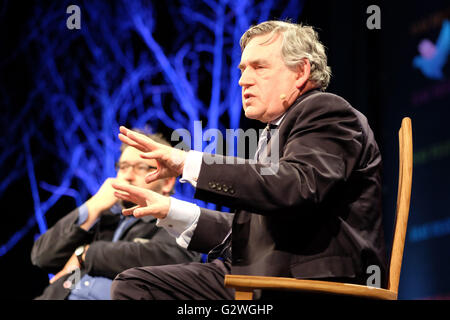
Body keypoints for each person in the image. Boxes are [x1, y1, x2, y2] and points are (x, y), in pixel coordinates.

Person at [110, 20, 387, 300]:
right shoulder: (273, 133)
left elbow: (297, 187)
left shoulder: (327, 111)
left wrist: (186, 162)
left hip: (308, 285)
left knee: (138, 287)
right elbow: (253, 232)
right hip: (262, 278)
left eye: (259, 67)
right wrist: (172, 210)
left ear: (301, 71)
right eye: (242, 70)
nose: (243, 80)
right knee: (136, 283)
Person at [31, 131, 201, 300]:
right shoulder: (103, 219)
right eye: (123, 167)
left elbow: (173, 260)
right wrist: (94, 205)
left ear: (167, 182)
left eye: (140, 167)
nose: (127, 176)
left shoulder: (175, 222)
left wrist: (87, 254)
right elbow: (42, 257)